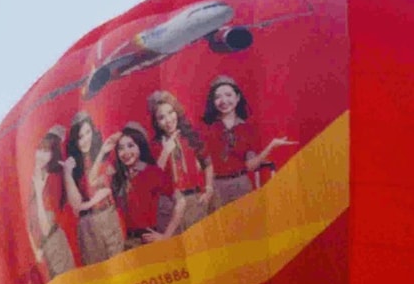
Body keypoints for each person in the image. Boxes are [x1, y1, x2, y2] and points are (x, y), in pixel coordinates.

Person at [200, 75, 296, 210]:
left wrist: (271, 146)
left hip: (241, 186)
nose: (223, 101)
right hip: (216, 188)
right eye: (217, 97)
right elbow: (202, 164)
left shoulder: (247, 129)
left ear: (237, 97)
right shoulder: (207, 129)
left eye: (228, 95)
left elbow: (250, 166)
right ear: (213, 102)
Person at [62, 110, 126, 264]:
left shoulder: (104, 154)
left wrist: (103, 152)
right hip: (88, 224)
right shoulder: (72, 166)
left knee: (121, 264)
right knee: (98, 271)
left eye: (87, 132)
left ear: (93, 131)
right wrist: (92, 201)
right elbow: (77, 206)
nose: (85, 140)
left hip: (109, 215)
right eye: (80, 137)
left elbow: (112, 185)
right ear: (74, 140)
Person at [108, 123, 182, 245]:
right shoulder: (120, 177)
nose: (125, 152)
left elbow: (181, 202)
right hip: (128, 242)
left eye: (131, 146)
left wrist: (166, 236)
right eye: (120, 148)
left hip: (149, 240)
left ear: (140, 147)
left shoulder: (152, 172)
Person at [148, 90, 211, 233]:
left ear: (176, 112)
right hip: (171, 205)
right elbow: (154, 178)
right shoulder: (155, 145)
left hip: (194, 200)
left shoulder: (189, 137)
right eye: (161, 117)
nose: (168, 120)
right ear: (157, 123)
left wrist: (209, 189)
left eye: (171, 113)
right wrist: (166, 151)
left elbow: (207, 163)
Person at [27, 126, 78, 279]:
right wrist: (36, 249)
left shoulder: (52, 179)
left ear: (53, 154)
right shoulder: (32, 180)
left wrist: (38, 188)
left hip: (54, 242)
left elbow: (46, 227)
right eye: (40, 150)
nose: (41, 155)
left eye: (46, 151)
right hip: (41, 249)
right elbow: (29, 222)